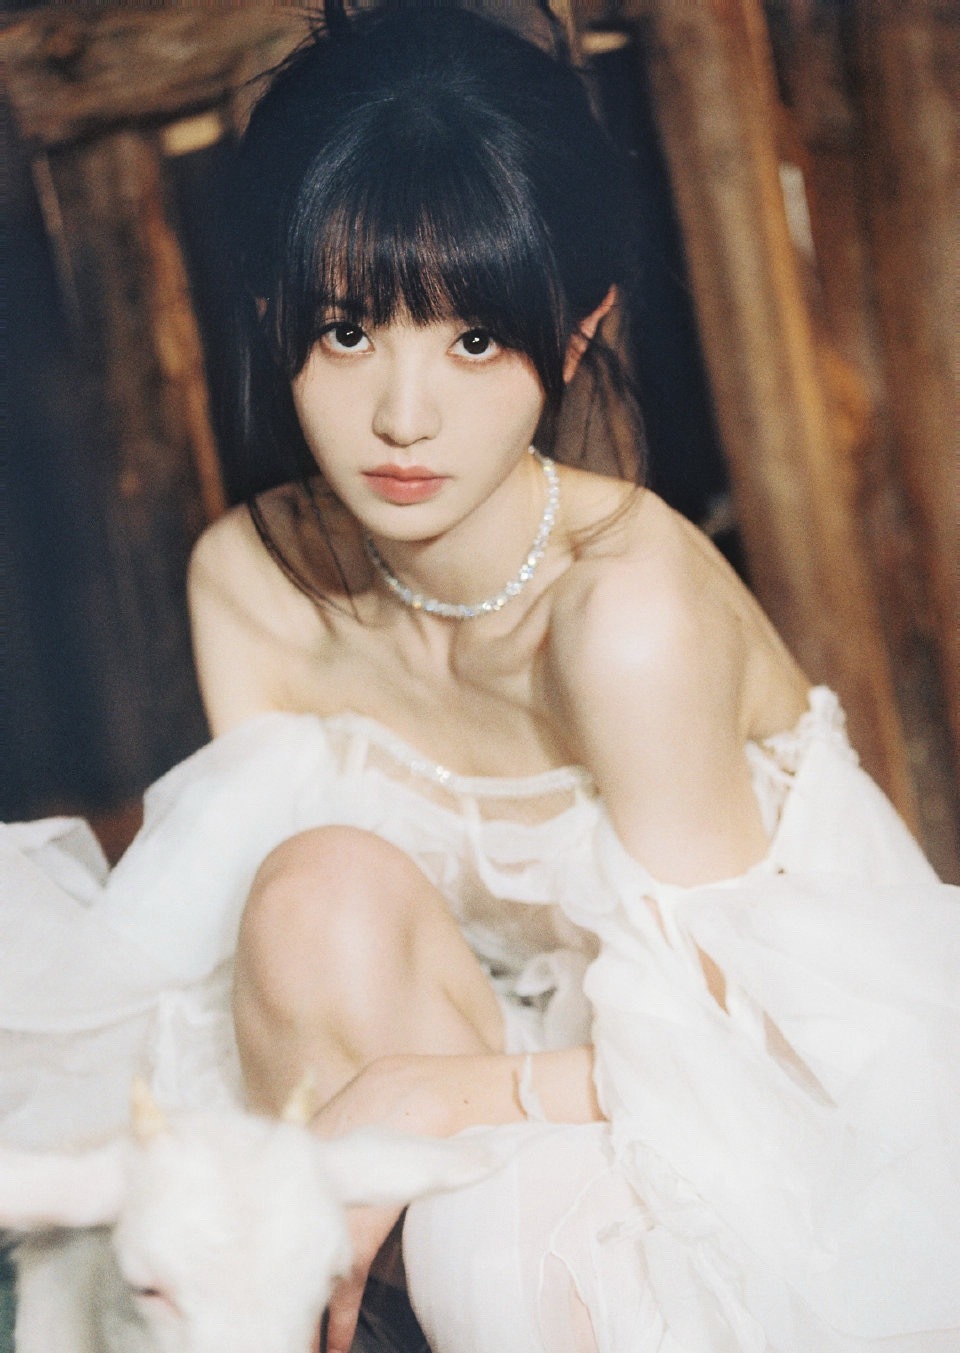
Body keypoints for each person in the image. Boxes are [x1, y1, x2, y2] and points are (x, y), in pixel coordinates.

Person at [1, 7, 958, 1353]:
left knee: (473, 1216)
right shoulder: (251, 585)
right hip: (480, 1078)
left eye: (471, 341)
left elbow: (756, 1061)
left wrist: (434, 1096)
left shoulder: (622, 616)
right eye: (348, 332)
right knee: (309, 893)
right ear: (273, 314)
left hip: (776, 1121)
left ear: (575, 333)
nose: (404, 418)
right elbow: (289, 978)